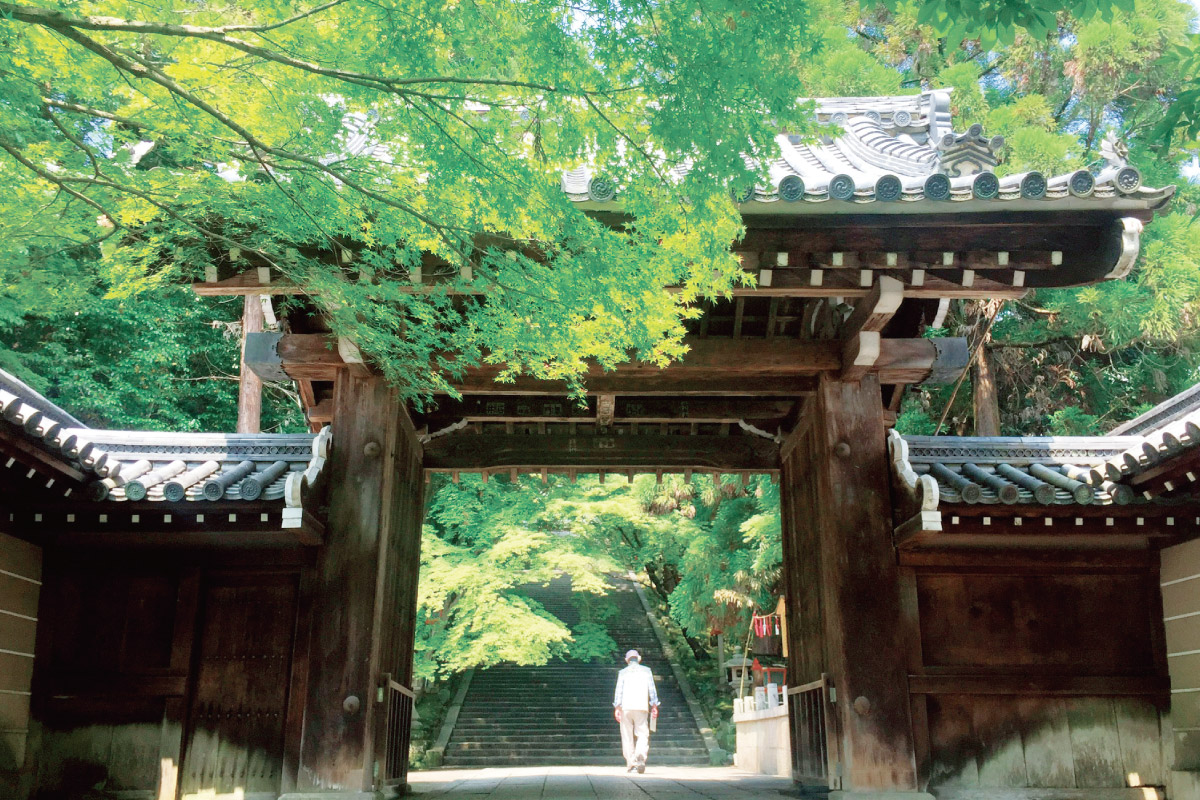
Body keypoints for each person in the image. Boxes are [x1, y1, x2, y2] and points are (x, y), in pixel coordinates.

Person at [613, 648, 660, 773]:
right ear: (639, 659)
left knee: (627, 735)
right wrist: (654, 705)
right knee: (642, 733)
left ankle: (631, 763)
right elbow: (652, 689)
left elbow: (619, 691)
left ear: (626, 660)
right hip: (641, 706)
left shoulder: (623, 672)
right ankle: (640, 755)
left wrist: (617, 707)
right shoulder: (646, 671)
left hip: (626, 707)